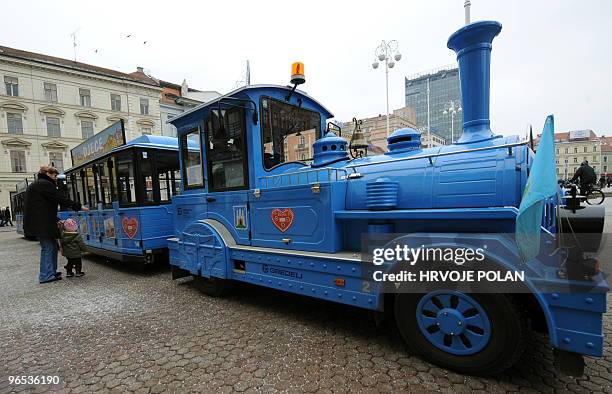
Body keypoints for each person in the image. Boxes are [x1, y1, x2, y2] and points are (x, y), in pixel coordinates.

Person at [24, 166, 89, 284]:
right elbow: (60, 198)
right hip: (41, 224)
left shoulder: (38, 184)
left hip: (41, 222)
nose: (55, 176)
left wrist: (55, 218)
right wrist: (78, 206)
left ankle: (50, 272)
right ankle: (46, 275)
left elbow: (42, 207)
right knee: (48, 248)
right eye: (53, 174)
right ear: (47, 173)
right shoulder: (45, 184)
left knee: (52, 247)